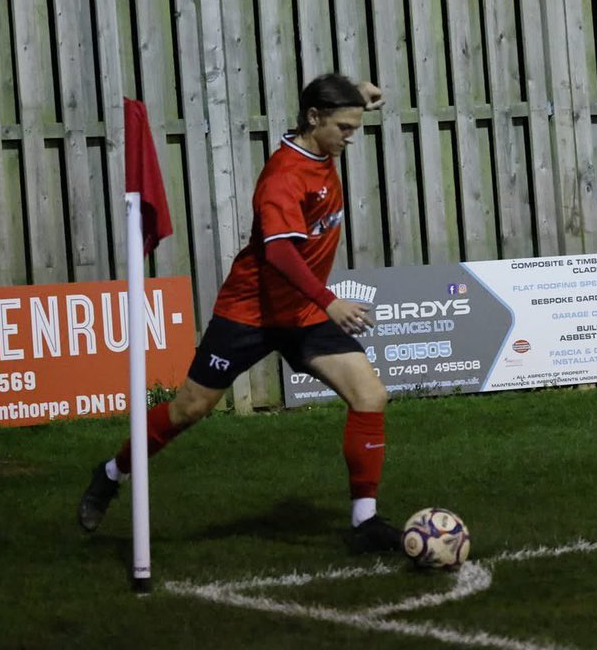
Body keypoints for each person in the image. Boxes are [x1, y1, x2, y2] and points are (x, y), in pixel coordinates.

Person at [77, 73, 401, 553]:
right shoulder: (283, 177)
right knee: (190, 408)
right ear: (314, 120)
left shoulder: (321, 143)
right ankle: (112, 472)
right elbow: (281, 256)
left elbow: (334, 100)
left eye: (355, 126)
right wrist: (329, 301)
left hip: (301, 314)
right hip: (250, 312)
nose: (351, 136)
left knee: (370, 395)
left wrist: (358, 93)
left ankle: (365, 523)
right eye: (345, 127)